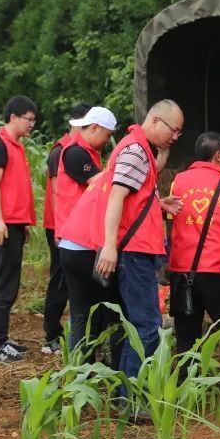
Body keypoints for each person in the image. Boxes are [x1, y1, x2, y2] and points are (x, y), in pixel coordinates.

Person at [58, 100, 184, 379]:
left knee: (116, 319)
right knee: (139, 324)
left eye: (179, 133)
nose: (175, 137)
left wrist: (157, 205)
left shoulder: (136, 150)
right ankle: (124, 392)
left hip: (89, 242)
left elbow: (132, 197)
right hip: (101, 247)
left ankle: (107, 383)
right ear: (153, 121)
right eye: (173, 130)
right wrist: (110, 246)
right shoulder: (132, 150)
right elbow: (116, 196)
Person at [168, 131, 220, 369]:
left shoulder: (177, 182)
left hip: (183, 271)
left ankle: (187, 386)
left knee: (186, 336)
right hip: (218, 272)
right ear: (218, 155)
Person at [42, 106, 116, 354]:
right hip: (78, 240)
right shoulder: (74, 153)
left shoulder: (87, 152)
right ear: (94, 128)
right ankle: (77, 359)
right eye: (106, 135)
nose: (107, 141)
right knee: (82, 306)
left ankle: (84, 361)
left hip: (81, 238)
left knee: (86, 305)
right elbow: (100, 183)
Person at [0, 95, 38, 363]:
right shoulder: (0, 145)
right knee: (2, 284)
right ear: (13, 117)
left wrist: (20, 224)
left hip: (12, 224)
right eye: (29, 119)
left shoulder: (16, 146)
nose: (32, 125)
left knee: (10, 282)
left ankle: (2, 338)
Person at [41, 102, 94, 354]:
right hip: (62, 227)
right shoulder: (63, 151)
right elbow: (55, 193)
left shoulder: (84, 151)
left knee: (70, 283)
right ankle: (52, 335)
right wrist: (60, 230)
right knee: (60, 280)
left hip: (76, 229)